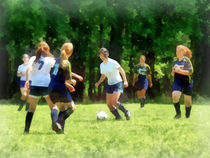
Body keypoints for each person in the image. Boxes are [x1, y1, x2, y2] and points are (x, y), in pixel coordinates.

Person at [49, 43, 82, 134]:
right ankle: (57, 123)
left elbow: (54, 75)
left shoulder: (56, 60)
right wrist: (73, 82)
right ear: (70, 52)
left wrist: (68, 84)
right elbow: (68, 79)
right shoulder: (66, 63)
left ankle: (60, 130)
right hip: (60, 88)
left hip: (51, 87)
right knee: (72, 107)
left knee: (63, 108)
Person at [23, 41, 56, 134]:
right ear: (47, 49)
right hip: (46, 85)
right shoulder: (51, 60)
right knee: (53, 106)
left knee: (31, 108)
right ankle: (55, 124)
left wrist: (27, 80)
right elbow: (57, 69)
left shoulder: (33, 58)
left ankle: (26, 130)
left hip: (34, 85)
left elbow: (28, 69)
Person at [95, 48, 130, 120]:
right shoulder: (102, 65)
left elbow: (122, 71)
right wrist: (98, 82)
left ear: (105, 54)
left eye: (101, 54)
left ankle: (126, 111)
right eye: (100, 55)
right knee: (109, 104)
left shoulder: (113, 62)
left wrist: (125, 81)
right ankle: (118, 117)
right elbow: (103, 75)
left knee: (114, 101)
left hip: (117, 83)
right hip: (110, 85)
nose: (100, 56)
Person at [171, 45, 193, 119]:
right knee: (175, 96)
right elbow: (172, 72)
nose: (177, 52)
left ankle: (187, 115)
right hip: (177, 81)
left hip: (187, 82)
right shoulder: (174, 60)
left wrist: (180, 71)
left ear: (183, 52)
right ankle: (178, 114)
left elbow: (190, 72)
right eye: (176, 51)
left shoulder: (186, 60)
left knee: (188, 102)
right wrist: (173, 72)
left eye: (179, 50)